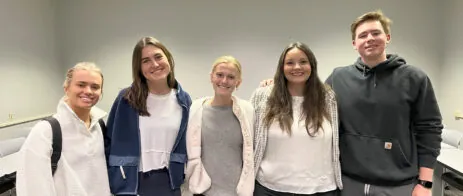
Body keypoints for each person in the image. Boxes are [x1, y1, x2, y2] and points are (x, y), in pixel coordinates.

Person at [325, 10, 443, 196]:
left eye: (375, 33)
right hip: (348, 182)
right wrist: (278, 83)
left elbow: (430, 130)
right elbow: (310, 101)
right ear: (354, 44)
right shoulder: (338, 78)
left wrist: (425, 183)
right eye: (363, 35)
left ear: (387, 37)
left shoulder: (414, 78)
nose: (369, 38)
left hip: (398, 185)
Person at [252, 42, 342, 196]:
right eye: (290, 63)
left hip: (321, 189)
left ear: (312, 65)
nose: (297, 67)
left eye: (303, 62)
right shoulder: (263, 95)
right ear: (282, 67)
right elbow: (249, 137)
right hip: (270, 188)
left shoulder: (327, 97)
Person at [104, 36, 191, 196]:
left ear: (168, 59)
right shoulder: (126, 99)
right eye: (146, 61)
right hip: (131, 184)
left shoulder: (184, 101)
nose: (155, 64)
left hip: (170, 183)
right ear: (139, 68)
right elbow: (108, 142)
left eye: (158, 57)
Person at [16, 62, 111, 196]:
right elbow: (32, 187)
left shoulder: (99, 126)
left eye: (95, 87)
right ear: (67, 88)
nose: (88, 91)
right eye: (81, 85)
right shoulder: (46, 131)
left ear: (101, 92)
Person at [186, 56, 255, 196]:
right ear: (211, 77)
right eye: (219, 75)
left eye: (231, 77)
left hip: (236, 192)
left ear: (238, 82)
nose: (224, 81)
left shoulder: (247, 111)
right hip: (203, 191)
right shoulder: (195, 109)